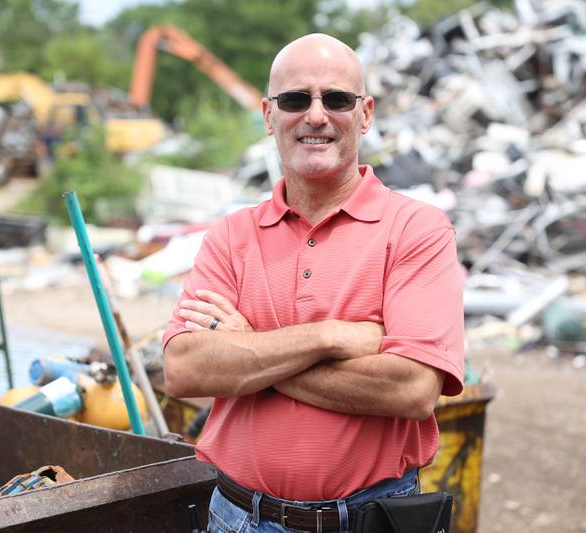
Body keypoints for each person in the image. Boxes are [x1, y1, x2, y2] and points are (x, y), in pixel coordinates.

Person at [163, 33, 465, 533]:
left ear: (365, 114)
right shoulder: (231, 236)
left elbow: (411, 388)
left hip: (369, 520)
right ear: (268, 115)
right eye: (296, 99)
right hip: (237, 518)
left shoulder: (417, 230)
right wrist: (332, 337)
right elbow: (184, 369)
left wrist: (248, 353)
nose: (316, 116)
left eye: (337, 99)